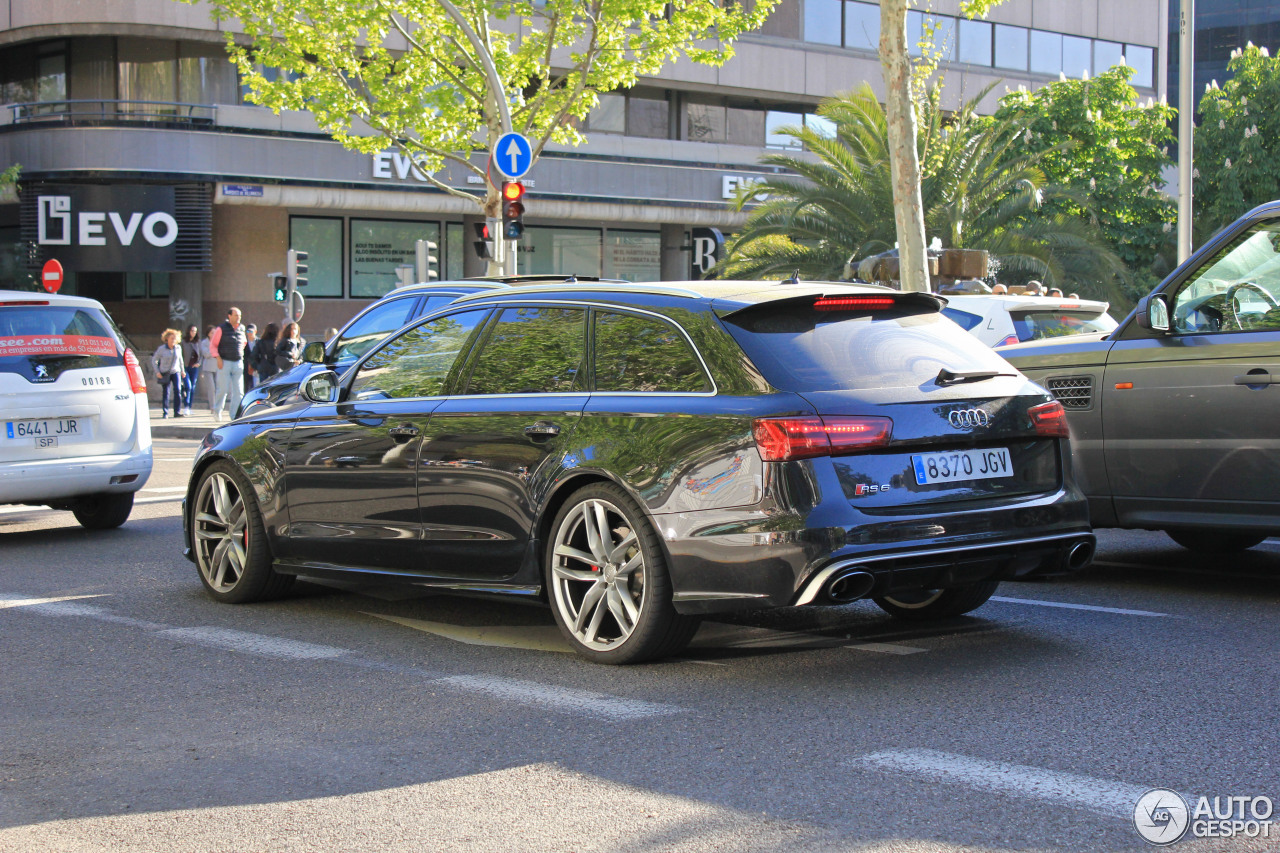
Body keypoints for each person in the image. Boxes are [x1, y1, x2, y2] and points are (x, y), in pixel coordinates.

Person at [208, 307, 248, 421]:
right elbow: (213, 345)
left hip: (238, 362)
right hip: (224, 361)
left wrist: (241, 352)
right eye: (236, 315)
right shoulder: (221, 328)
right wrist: (218, 358)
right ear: (229, 316)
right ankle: (217, 411)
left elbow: (243, 342)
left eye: (239, 315)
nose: (238, 318)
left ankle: (234, 415)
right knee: (223, 390)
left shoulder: (241, 328)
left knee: (239, 391)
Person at [151, 328, 184, 418]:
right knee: (166, 392)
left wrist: (182, 371)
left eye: (175, 338)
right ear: (167, 339)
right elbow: (154, 359)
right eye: (171, 338)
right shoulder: (162, 349)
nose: (173, 340)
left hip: (175, 371)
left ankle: (177, 412)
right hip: (165, 372)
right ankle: (165, 412)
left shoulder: (178, 348)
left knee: (178, 390)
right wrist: (157, 371)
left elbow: (181, 360)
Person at [180, 325, 200, 414]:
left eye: (195, 331)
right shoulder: (183, 342)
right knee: (188, 386)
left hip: (194, 367)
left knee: (193, 388)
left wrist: (199, 363)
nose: (194, 333)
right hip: (185, 367)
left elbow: (201, 355)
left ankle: (189, 407)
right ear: (188, 331)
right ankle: (186, 406)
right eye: (192, 331)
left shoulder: (198, 342)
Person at [198, 325, 219, 413]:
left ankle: (218, 406)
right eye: (212, 333)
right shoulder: (204, 343)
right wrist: (214, 352)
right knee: (211, 388)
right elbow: (206, 354)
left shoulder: (219, 342)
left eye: (215, 333)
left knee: (219, 387)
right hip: (208, 368)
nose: (214, 334)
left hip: (218, 367)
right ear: (208, 334)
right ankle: (212, 407)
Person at [243, 323, 259, 391]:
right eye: (248, 331)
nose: (249, 333)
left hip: (257, 367)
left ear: (255, 332)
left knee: (256, 385)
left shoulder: (259, 342)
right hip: (246, 367)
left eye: (251, 331)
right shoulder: (244, 342)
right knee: (247, 385)